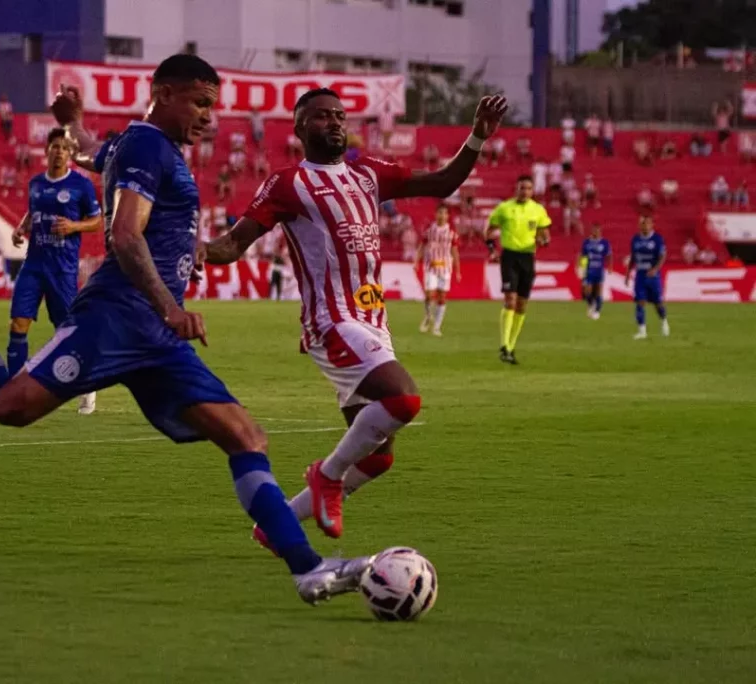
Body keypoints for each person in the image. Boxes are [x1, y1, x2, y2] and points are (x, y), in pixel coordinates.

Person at [0, 54, 374, 606]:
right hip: (117, 320)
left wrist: (72, 124)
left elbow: (97, 154)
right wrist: (171, 306)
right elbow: (124, 235)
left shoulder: (142, 144)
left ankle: (309, 570)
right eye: (199, 103)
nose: (207, 118)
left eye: (211, 107)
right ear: (164, 93)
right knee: (9, 407)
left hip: (156, 339)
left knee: (246, 437)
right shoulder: (149, 146)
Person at [198, 87, 508, 542]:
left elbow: (442, 183)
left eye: (340, 115)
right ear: (302, 128)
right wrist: (199, 250)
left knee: (378, 456)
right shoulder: (288, 183)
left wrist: (477, 137)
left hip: (373, 323)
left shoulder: (367, 173)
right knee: (403, 400)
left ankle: (275, 527)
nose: (336, 123)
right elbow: (234, 243)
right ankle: (327, 475)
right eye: (323, 117)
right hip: (332, 320)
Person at [9, 128, 102, 415]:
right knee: (18, 324)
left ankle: (87, 384)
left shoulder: (80, 185)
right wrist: (22, 227)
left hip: (62, 269)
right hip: (34, 264)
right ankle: (15, 390)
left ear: (70, 153)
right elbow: (33, 210)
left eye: (64, 147)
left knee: (66, 332)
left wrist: (74, 226)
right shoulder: (36, 183)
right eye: (55, 146)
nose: (59, 151)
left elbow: (96, 221)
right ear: (47, 150)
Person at [486, 175, 552, 365]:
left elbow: (545, 234)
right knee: (510, 300)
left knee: (522, 304)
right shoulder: (505, 208)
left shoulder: (538, 210)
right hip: (509, 257)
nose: (525, 191)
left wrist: (544, 240)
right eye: (522, 187)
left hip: (528, 257)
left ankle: (511, 347)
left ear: (532, 191)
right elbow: (489, 231)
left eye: (528, 188)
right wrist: (492, 250)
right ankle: (504, 345)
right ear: (516, 188)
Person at [416, 204, 461, 336]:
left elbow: (455, 252)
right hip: (431, 267)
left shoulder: (452, 234)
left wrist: (458, 271)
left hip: (445, 268)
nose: (442, 216)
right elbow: (422, 246)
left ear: (448, 216)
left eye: (444, 213)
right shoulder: (429, 231)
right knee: (429, 295)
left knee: (442, 297)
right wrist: (416, 261)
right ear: (436, 214)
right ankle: (428, 316)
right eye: (440, 213)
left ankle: (437, 326)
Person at [626, 216, 669, 339]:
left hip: (653, 276)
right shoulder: (635, 239)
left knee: (658, 303)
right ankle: (642, 331)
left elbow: (662, 256)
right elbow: (633, 257)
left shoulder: (657, 239)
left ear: (651, 225)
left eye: (646, 223)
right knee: (640, 301)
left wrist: (655, 269)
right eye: (642, 223)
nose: (644, 226)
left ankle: (664, 321)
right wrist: (628, 273)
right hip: (640, 275)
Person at [580, 224, 612, 320]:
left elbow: (609, 256)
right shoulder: (586, 243)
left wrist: (610, 267)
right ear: (591, 231)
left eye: (597, 230)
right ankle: (591, 304)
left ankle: (597, 311)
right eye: (594, 230)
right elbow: (583, 256)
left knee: (598, 291)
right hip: (589, 270)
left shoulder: (604, 243)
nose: (596, 232)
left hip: (599, 270)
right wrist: (581, 267)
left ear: (600, 231)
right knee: (587, 291)